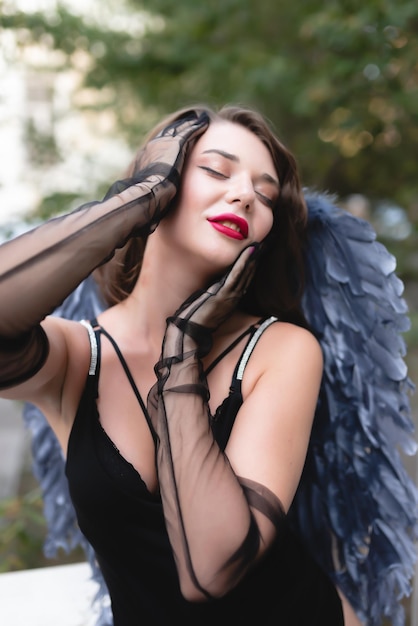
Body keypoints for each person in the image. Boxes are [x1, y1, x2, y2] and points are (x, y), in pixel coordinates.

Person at [0, 105, 416, 626]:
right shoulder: (77, 357)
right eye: (217, 171)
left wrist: (183, 353)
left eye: (264, 195)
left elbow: (211, 571)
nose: (244, 194)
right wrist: (138, 197)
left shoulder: (281, 349)